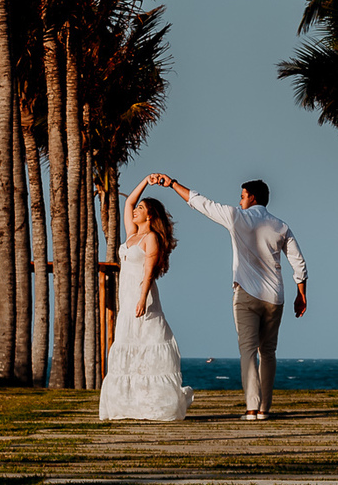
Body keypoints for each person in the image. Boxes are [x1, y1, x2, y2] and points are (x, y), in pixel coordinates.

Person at [151, 173, 306, 420]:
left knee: (247, 351)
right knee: (268, 352)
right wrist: (301, 293)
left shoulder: (236, 217)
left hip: (245, 293)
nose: (240, 200)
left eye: (242, 196)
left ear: (252, 197)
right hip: (275, 296)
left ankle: (252, 408)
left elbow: (201, 203)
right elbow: (298, 261)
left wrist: (172, 184)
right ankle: (265, 409)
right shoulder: (281, 226)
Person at [98, 174, 193, 421]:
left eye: (141, 209)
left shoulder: (150, 238)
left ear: (150, 216)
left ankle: (156, 403)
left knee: (148, 343)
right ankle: (131, 405)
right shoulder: (131, 234)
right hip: (126, 297)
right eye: (138, 208)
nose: (135, 211)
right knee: (129, 345)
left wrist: (142, 299)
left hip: (142, 298)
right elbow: (128, 202)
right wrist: (145, 180)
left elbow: (149, 273)